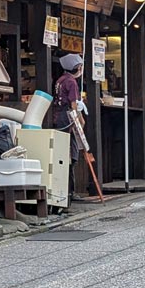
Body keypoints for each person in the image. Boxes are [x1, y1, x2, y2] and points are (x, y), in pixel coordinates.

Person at [54, 53, 84, 200]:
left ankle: (64, 190)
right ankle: (70, 191)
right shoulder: (71, 82)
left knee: (61, 152)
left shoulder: (60, 80)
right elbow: (73, 104)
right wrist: (78, 121)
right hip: (67, 117)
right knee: (71, 154)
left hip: (58, 117)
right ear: (77, 67)